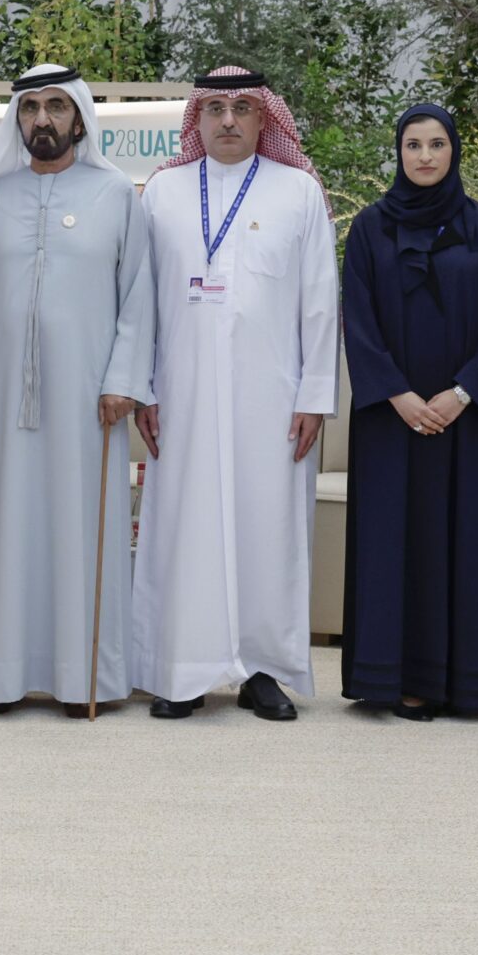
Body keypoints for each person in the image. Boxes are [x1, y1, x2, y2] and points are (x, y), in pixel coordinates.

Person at [0, 64, 155, 714]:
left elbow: (139, 298)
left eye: (57, 106)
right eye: (31, 108)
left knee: (80, 533)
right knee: (6, 533)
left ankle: (86, 678)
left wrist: (123, 381)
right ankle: (1, 677)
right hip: (3, 402)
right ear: (18, 120)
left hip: (91, 403)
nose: (43, 120)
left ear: (79, 116)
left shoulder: (115, 194)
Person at [129, 67, 339, 721]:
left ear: (263, 118)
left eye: (242, 107)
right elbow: (137, 301)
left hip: (271, 401)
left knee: (267, 528)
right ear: (197, 117)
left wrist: (314, 396)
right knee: (184, 525)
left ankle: (263, 670)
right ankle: (181, 669)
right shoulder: (162, 192)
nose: (227, 119)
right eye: (214, 107)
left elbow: (320, 304)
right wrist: (141, 386)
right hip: (181, 393)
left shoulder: (298, 191)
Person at [339, 105, 478, 719]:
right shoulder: (369, 230)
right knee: (394, 542)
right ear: (398, 152)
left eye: (437, 144)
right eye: (412, 145)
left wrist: (461, 393)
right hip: (393, 421)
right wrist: (401, 395)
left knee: (464, 542)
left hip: (466, 424)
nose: (425, 157)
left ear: (454, 151)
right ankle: (394, 680)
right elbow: (356, 320)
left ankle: (465, 686)